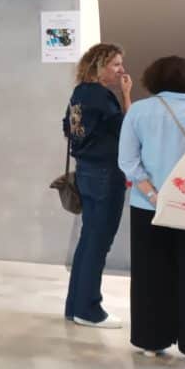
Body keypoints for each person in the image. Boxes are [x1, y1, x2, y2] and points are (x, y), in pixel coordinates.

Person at [118, 56, 185, 368]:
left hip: (146, 207)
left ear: (152, 80)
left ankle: (151, 341)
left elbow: (127, 161)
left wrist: (154, 195)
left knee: (150, 276)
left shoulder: (138, 111)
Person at [62, 43, 132, 328]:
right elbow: (127, 130)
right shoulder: (103, 97)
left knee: (88, 240)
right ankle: (89, 310)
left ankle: (75, 306)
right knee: (98, 242)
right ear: (100, 66)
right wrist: (126, 95)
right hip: (106, 173)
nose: (121, 70)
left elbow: (68, 129)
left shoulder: (79, 93)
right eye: (115, 64)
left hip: (86, 171)